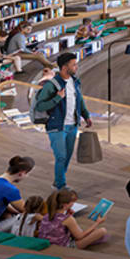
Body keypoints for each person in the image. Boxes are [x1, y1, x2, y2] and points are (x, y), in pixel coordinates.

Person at [40, 52, 91, 190]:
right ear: (64, 67)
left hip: (72, 125)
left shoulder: (75, 82)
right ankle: (61, 186)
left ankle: (57, 182)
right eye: (74, 65)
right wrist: (57, 98)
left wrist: (86, 115)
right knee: (61, 157)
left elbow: (79, 100)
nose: (76, 67)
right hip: (57, 126)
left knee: (67, 157)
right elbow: (40, 105)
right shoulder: (52, 85)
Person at [37, 187, 109, 249]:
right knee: (102, 231)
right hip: (64, 247)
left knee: (89, 232)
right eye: (72, 202)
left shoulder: (47, 214)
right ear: (65, 205)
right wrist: (97, 222)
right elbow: (79, 236)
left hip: (47, 244)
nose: (73, 204)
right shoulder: (68, 219)